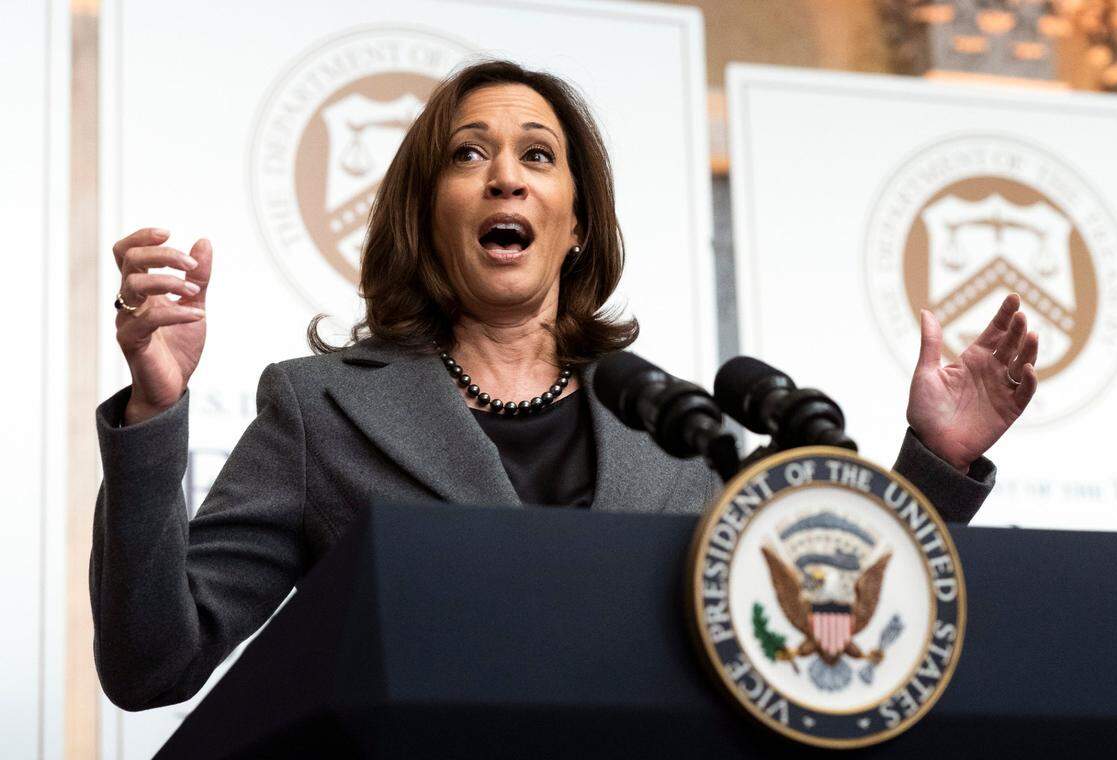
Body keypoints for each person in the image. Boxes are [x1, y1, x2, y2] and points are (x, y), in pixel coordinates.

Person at [91, 61, 1038, 711]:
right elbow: (153, 664)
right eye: (468, 155)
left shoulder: (677, 427)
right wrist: (154, 412)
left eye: (538, 156)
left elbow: (831, 638)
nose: (505, 177)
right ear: (429, 214)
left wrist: (939, 462)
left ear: (576, 223)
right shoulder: (319, 408)